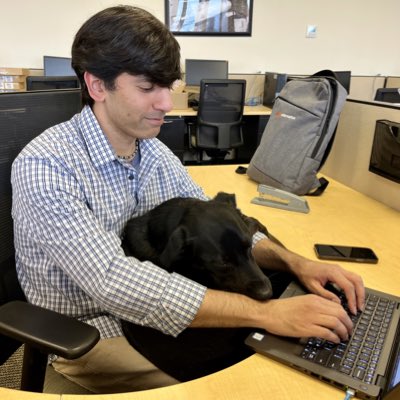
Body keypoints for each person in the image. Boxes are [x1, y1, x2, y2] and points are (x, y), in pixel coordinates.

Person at [11, 5, 365, 394]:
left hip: (160, 303)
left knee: (293, 329)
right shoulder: (46, 165)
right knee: (260, 374)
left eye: (170, 86)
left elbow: (217, 225)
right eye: (148, 88)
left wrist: (297, 263)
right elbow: (113, 280)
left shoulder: (155, 153)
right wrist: (269, 313)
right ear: (98, 86)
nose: (166, 103)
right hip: (95, 329)